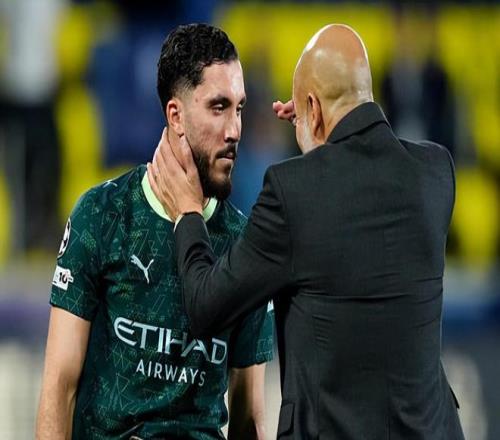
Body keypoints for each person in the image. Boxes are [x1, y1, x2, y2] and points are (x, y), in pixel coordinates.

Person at [148, 24, 465, 439]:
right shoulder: (436, 173)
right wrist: (321, 131)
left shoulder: (293, 191)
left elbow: (206, 306)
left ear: (311, 109)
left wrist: (188, 212)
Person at [36, 23, 274, 440]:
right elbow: (60, 388)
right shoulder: (103, 216)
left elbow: (249, 419)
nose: (234, 130)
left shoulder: (246, 243)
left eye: (239, 108)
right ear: (175, 115)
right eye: (218, 107)